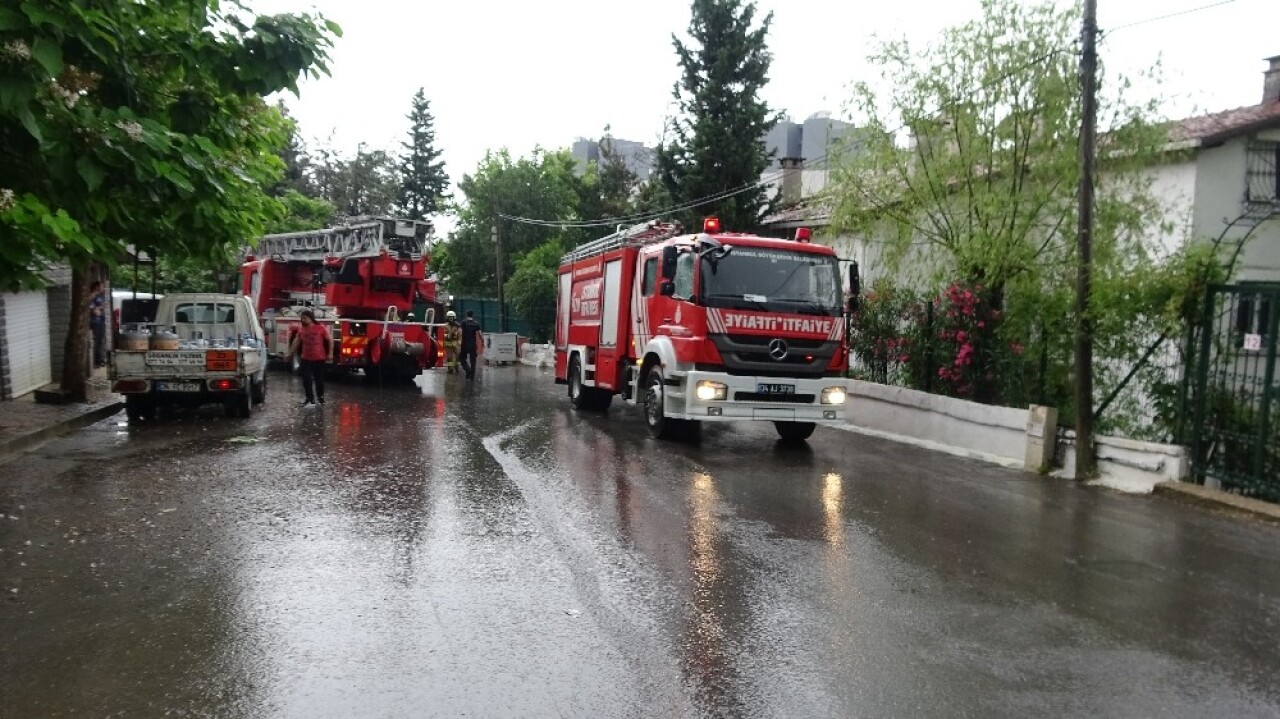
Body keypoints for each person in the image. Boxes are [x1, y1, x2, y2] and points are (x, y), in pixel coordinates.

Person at [287, 309, 333, 406]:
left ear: (311, 318)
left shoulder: (321, 328)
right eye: (301, 318)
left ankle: (320, 398)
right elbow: (296, 342)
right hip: (306, 358)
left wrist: (330, 353)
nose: (303, 320)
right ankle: (309, 399)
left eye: (305, 318)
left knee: (319, 379)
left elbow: (329, 340)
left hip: (319, 358)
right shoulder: (301, 329)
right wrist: (290, 353)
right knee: (306, 379)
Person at [88, 281, 107, 368]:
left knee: (101, 341)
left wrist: (100, 308)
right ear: (96, 287)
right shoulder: (92, 295)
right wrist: (95, 309)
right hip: (95, 321)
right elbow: (90, 306)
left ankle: (100, 360)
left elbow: (102, 307)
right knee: (96, 342)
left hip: (101, 321)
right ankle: (96, 362)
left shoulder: (100, 296)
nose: (103, 288)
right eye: (101, 286)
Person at [459, 310, 482, 380]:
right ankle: (472, 376)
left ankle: (468, 370)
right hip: (472, 344)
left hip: (464, 344)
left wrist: (459, 342)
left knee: (461, 358)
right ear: (472, 315)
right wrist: (483, 341)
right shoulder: (476, 324)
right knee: (473, 361)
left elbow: (459, 333)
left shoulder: (463, 323)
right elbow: (480, 334)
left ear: (466, 315)